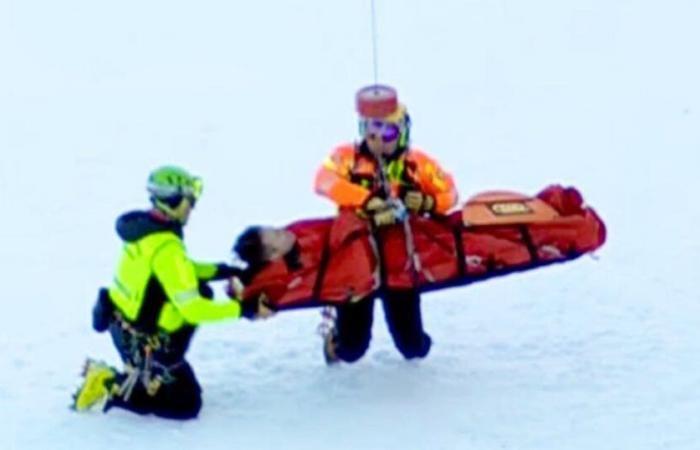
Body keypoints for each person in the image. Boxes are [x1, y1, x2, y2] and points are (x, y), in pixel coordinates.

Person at [73, 165, 268, 419]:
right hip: (145, 342)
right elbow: (194, 308)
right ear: (174, 201)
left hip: (120, 326)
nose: (193, 206)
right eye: (190, 200)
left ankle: (145, 375)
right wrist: (245, 309)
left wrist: (223, 271)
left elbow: (179, 271)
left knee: (201, 290)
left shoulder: (146, 230)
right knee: (186, 406)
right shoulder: (168, 249)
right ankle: (110, 384)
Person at [313, 85, 459, 364]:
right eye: (372, 130)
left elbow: (450, 192)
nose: (379, 139)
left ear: (402, 132)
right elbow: (323, 180)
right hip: (357, 265)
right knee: (352, 350)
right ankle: (335, 341)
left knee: (413, 347)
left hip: (399, 264)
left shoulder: (418, 164)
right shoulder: (346, 158)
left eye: (388, 132)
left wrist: (428, 203)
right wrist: (364, 200)